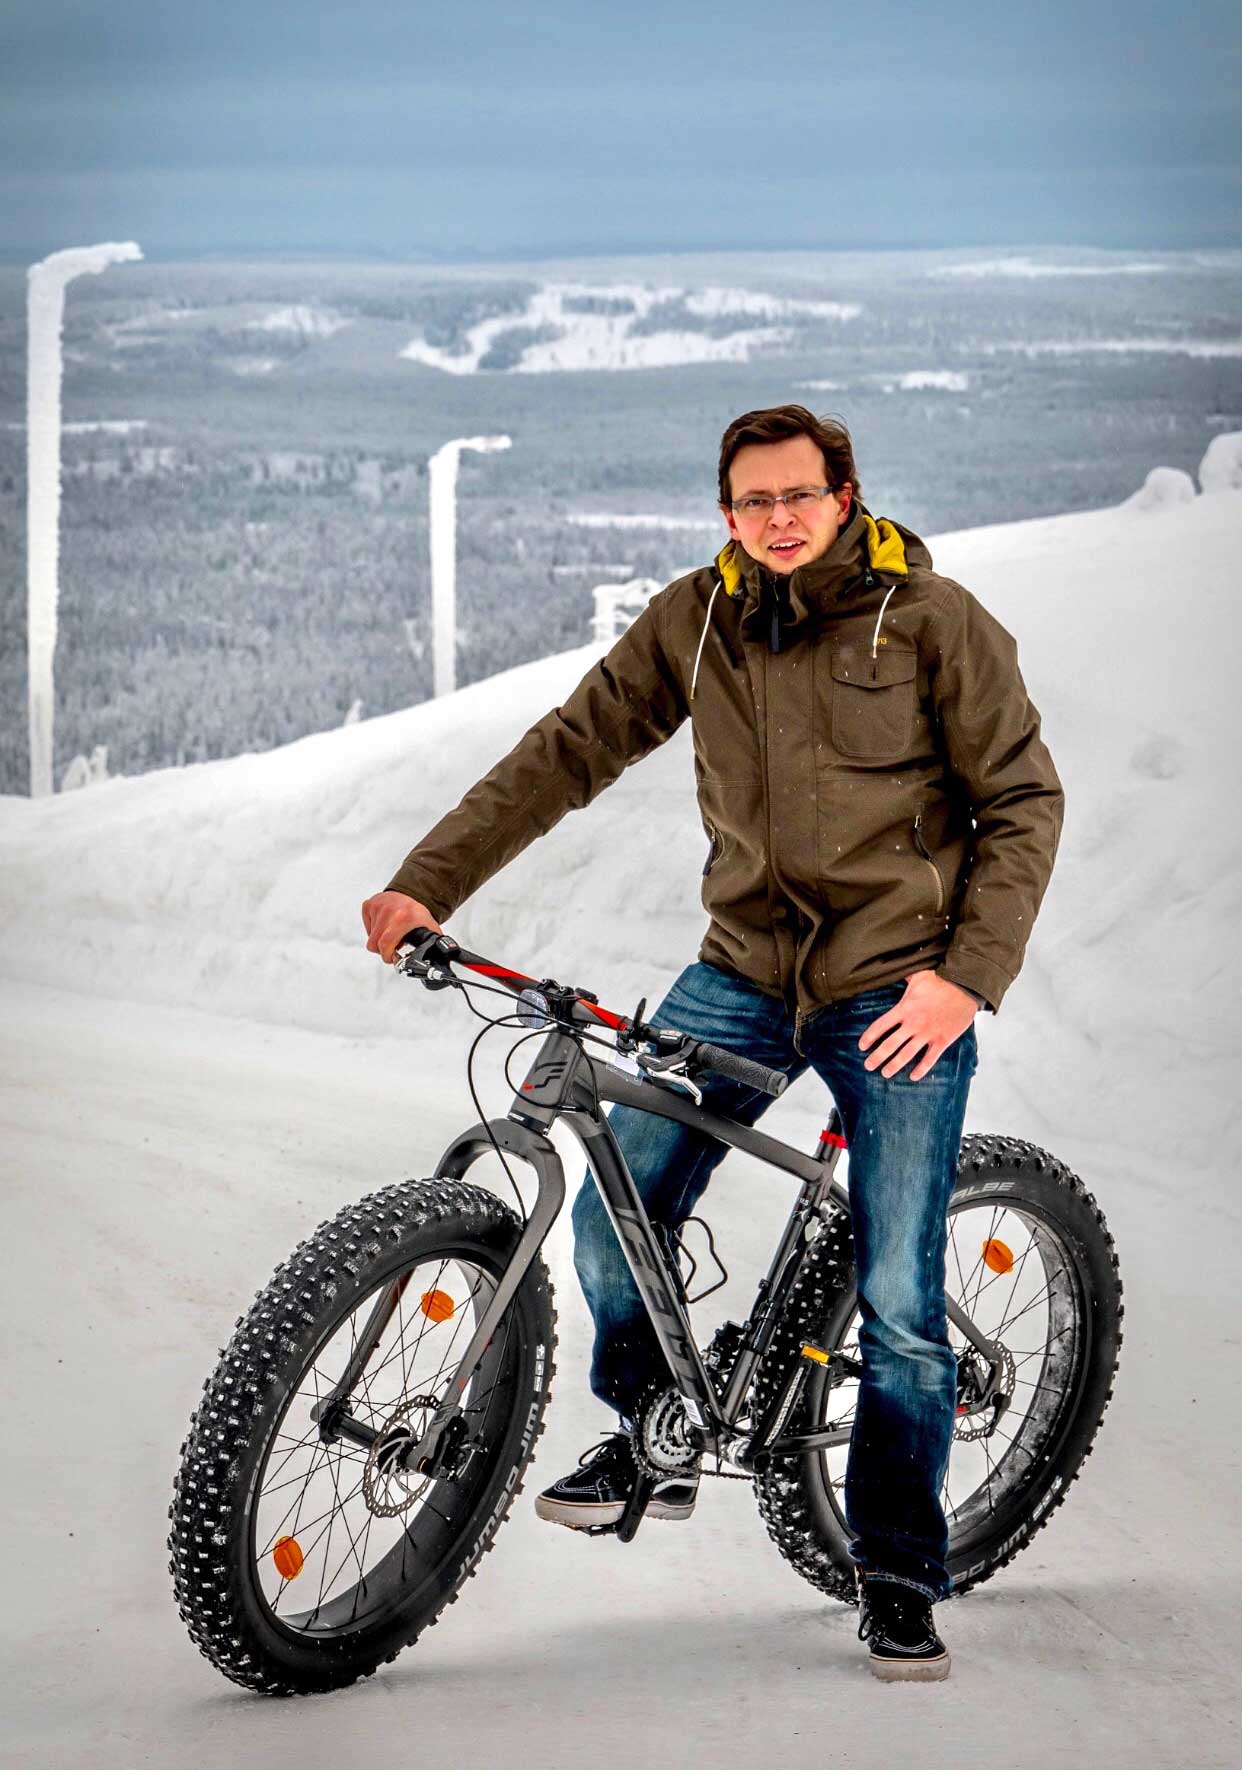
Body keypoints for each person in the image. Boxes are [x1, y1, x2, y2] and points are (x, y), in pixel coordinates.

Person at [362, 404, 1064, 1682]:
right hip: (743, 972)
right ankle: (656, 1428)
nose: (778, 520)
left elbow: (1021, 799)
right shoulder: (701, 618)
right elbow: (567, 750)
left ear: (845, 495)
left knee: (903, 1303)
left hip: (895, 986)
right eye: (753, 502)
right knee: (609, 1208)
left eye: (800, 496)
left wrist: (967, 979)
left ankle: (901, 1572)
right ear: (726, 512)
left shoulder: (933, 619)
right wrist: (429, 882)